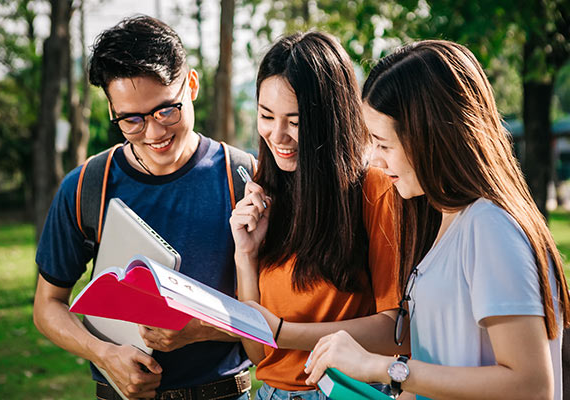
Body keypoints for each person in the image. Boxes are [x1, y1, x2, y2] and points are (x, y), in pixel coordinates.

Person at [305, 40, 570, 400]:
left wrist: (382, 368)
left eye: (383, 145)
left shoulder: (489, 227)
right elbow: (450, 363)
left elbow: (531, 386)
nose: (376, 161)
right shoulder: (444, 220)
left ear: (428, 138)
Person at [33, 16, 252, 400]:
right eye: (131, 120)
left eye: (167, 110)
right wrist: (103, 353)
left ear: (192, 85)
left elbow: (280, 314)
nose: (154, 133)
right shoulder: (86, 187)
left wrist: (202, 328)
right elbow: (48, 305)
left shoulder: (245, 179)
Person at [226, 31, 403, 399]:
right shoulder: (265, 191)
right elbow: (259, 355)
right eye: (265, 116)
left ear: (330, 119)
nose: (278, 135)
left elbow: (396, 331)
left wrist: (283, 333)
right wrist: (246, 255)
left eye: (294, 120)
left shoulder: (374, 189)